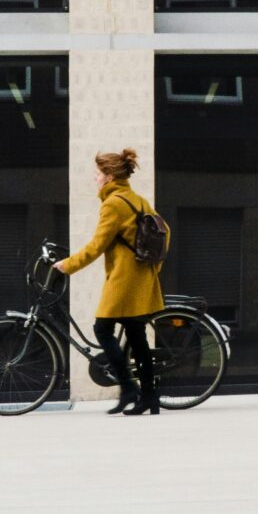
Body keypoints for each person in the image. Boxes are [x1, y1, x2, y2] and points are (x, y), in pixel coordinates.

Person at [54, 148, 170, 417]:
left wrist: (66, 265)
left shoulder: (114, 204)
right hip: (141, 278)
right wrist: (154, 267)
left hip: (124, 281)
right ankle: (149, 397)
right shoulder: (138, 200)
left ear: (109, 176)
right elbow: (166, 233)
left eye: (98, 174)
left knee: (102, 328)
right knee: (137, 338)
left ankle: (129, 388)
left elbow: (97, 246)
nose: (95, 178)